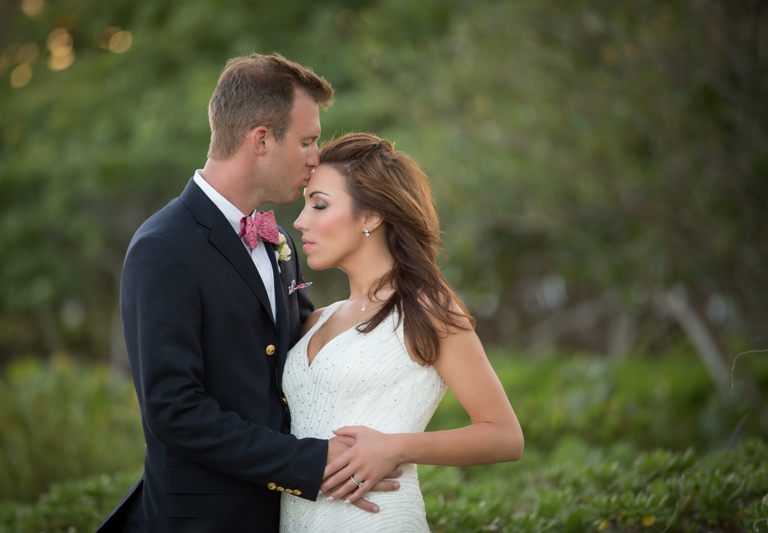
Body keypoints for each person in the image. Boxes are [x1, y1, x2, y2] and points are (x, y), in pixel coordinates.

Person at [97, 55, 397, 533]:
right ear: (261, 140)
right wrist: (309, 462)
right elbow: (174, 409)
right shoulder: (162, 247)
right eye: (306, 141)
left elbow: (297, 357)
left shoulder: (277, 239)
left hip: (290, 518)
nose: (315, 156)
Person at [280, 132, 524, 531]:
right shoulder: (315, 319)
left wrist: (395, 447)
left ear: (371, 215)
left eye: (319, 205)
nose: (300, 221)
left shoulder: (427, 309)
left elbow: (505, 436)